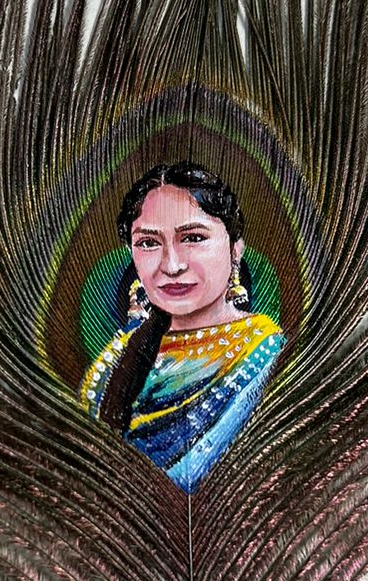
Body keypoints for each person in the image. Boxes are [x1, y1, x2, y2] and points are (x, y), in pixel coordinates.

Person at [81, 162, 285, 492]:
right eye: (148, 243)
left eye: (193, 238)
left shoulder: (263, 352)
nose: (172, 265)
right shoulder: (118, 355)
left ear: (235, 249)